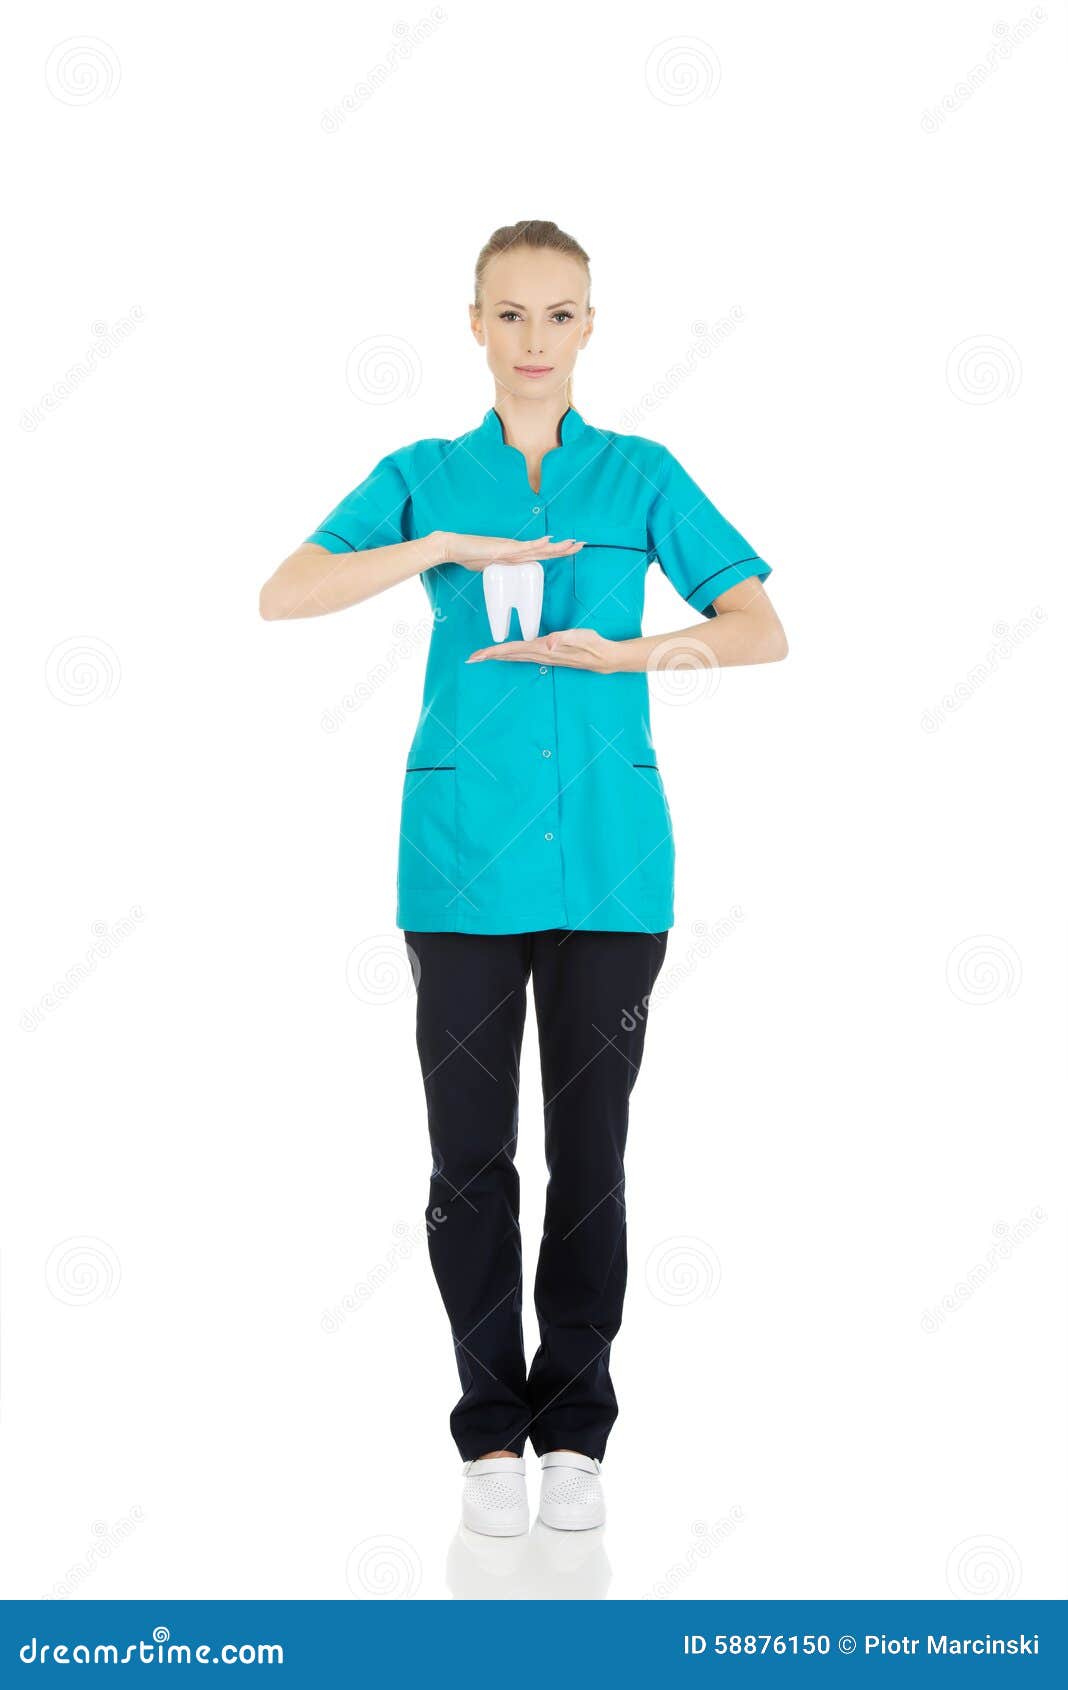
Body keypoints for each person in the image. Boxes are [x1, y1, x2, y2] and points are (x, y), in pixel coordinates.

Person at [260, 219, 788, 1537]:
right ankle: (491, 1431)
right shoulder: (426, 473)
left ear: (591, 328)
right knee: (468, 1161)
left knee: (592, 1159)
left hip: (613, 866)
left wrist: (631, 658)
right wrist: (443, 549)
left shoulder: (641, 474)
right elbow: (286, 592)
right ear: (476, 325)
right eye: (511, 315)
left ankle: (580, 1429)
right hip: (458, 868)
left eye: (560, 315)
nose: (535, 341)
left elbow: (762, 628)